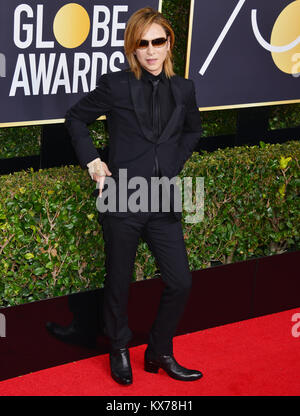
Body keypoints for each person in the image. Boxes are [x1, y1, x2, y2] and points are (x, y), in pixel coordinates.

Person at [64, 7, 203, 385]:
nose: (152, 51)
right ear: (133, 49)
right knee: (119, 279)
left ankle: (159, 350)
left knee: (181, 282)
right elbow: (75, 118)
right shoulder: (116, 85)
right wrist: (93, 160)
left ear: (169, 43)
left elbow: (193, 130)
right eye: (143, 44)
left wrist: (175, 160)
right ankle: (119, 347)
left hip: (162, 198)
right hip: (122, 196)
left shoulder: (184, 88)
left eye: (158, 41)